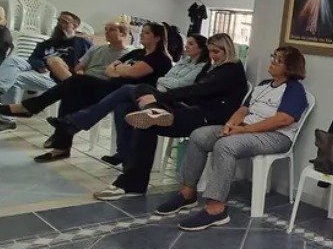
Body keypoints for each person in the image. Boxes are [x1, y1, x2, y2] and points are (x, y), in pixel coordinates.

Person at [161, 45, 309, 231]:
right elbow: (244, 109)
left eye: (278, 60)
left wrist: (245, 130)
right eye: (273, 57)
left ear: (290, 67)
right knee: (199, 136)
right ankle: (187, 193)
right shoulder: (264, 85)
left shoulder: (294, 89)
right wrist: (230, 125)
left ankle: (216, 209)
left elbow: (283, 119)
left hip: (276, 136)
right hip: (246, 129)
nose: (272, 62)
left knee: (225, 146)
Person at [87, 34, 247, 200]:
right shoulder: (215, 68)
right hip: (192, 108)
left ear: (227, 49)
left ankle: (133, 182)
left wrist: (160, 98)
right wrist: (162, 98)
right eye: (211, 51)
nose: (213, 56)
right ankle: (153, 112)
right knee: (141, 89)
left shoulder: (230, 70)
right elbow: (194, 90)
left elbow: (198, 90)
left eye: (216, 52)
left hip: (206, 117)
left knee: (145, 123)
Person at [0, 22, 172, 161]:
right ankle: (59, 145)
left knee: (76, 82)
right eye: (142, 32)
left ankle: (33, 112)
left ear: (157, 37)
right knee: (72, 91)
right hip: (109, 86)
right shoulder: (137, 52)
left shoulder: (160, 58)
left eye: (147, 33)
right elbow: (109, 70)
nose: (142, 35)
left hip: (126, 94)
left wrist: (121, 69)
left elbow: (132, 73)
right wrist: (122, 70)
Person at [47, 33, 211, 167]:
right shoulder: (183, 62)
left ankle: (75, 122)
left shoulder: (201, 66)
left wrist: (162, 81)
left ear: (201, 48)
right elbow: (164, 78)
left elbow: (182, 84)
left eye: (191, 44)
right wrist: (124, 70)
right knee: (121, 104)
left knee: (125, 89)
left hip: (170, 99)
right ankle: (123, 153)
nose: (186, 47)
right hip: (158, 93)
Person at [0, 11, 89, 131]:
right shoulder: (46, 44)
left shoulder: (81, 43)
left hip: (63, 81)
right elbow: (33, 59)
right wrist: (42, 65)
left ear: (75, 26)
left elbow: (86, 63)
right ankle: (7, 120)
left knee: (54, 60)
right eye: (59, 20)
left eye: (65, 21)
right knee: (13, 66)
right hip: (43, 75)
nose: (60, 24)